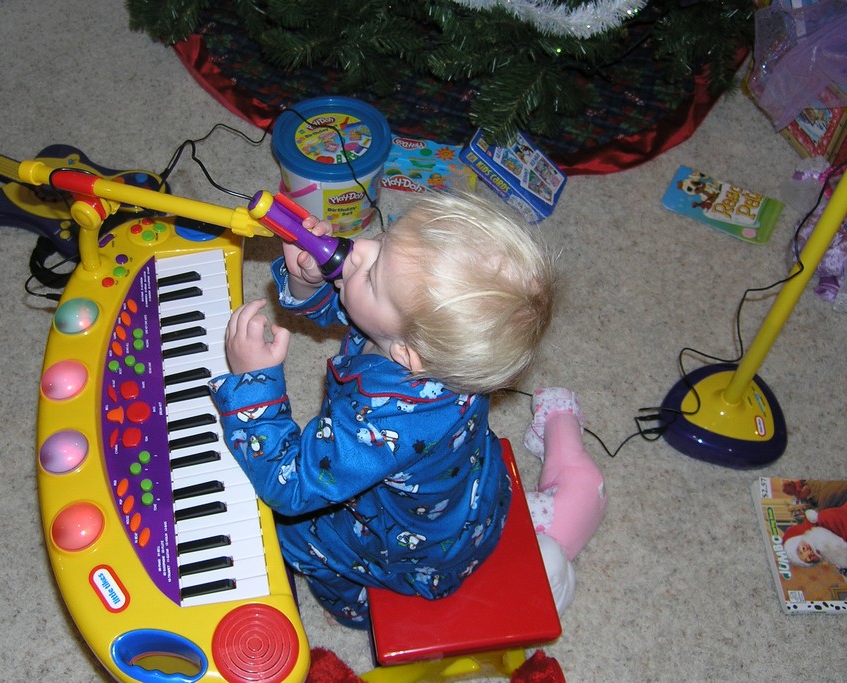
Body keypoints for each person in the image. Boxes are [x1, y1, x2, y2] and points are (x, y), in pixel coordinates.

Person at [208, 190, 555, 628]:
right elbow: (358, 312)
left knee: (287, 533)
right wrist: (308, 282)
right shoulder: (432, 348)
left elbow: (290, 484)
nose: (359, 249)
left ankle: (352, 607)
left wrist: (253, 386)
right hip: (465, 498)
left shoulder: (385, 420)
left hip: (415, 550)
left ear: (408, 354)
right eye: (384, 239)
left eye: (372, 276)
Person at [522, 387, 608, 614]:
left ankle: (547, 430)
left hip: (590, 498)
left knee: (562, 454)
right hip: (578, 479)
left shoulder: (561, 554)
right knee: (564, 443)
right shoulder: (545, 521)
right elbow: (519, 506)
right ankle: (557, 403)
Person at [782, 502, 847, 570]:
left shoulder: (825, 519)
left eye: (804, 549)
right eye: (809, 558)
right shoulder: (836, 557)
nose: (810, 553)